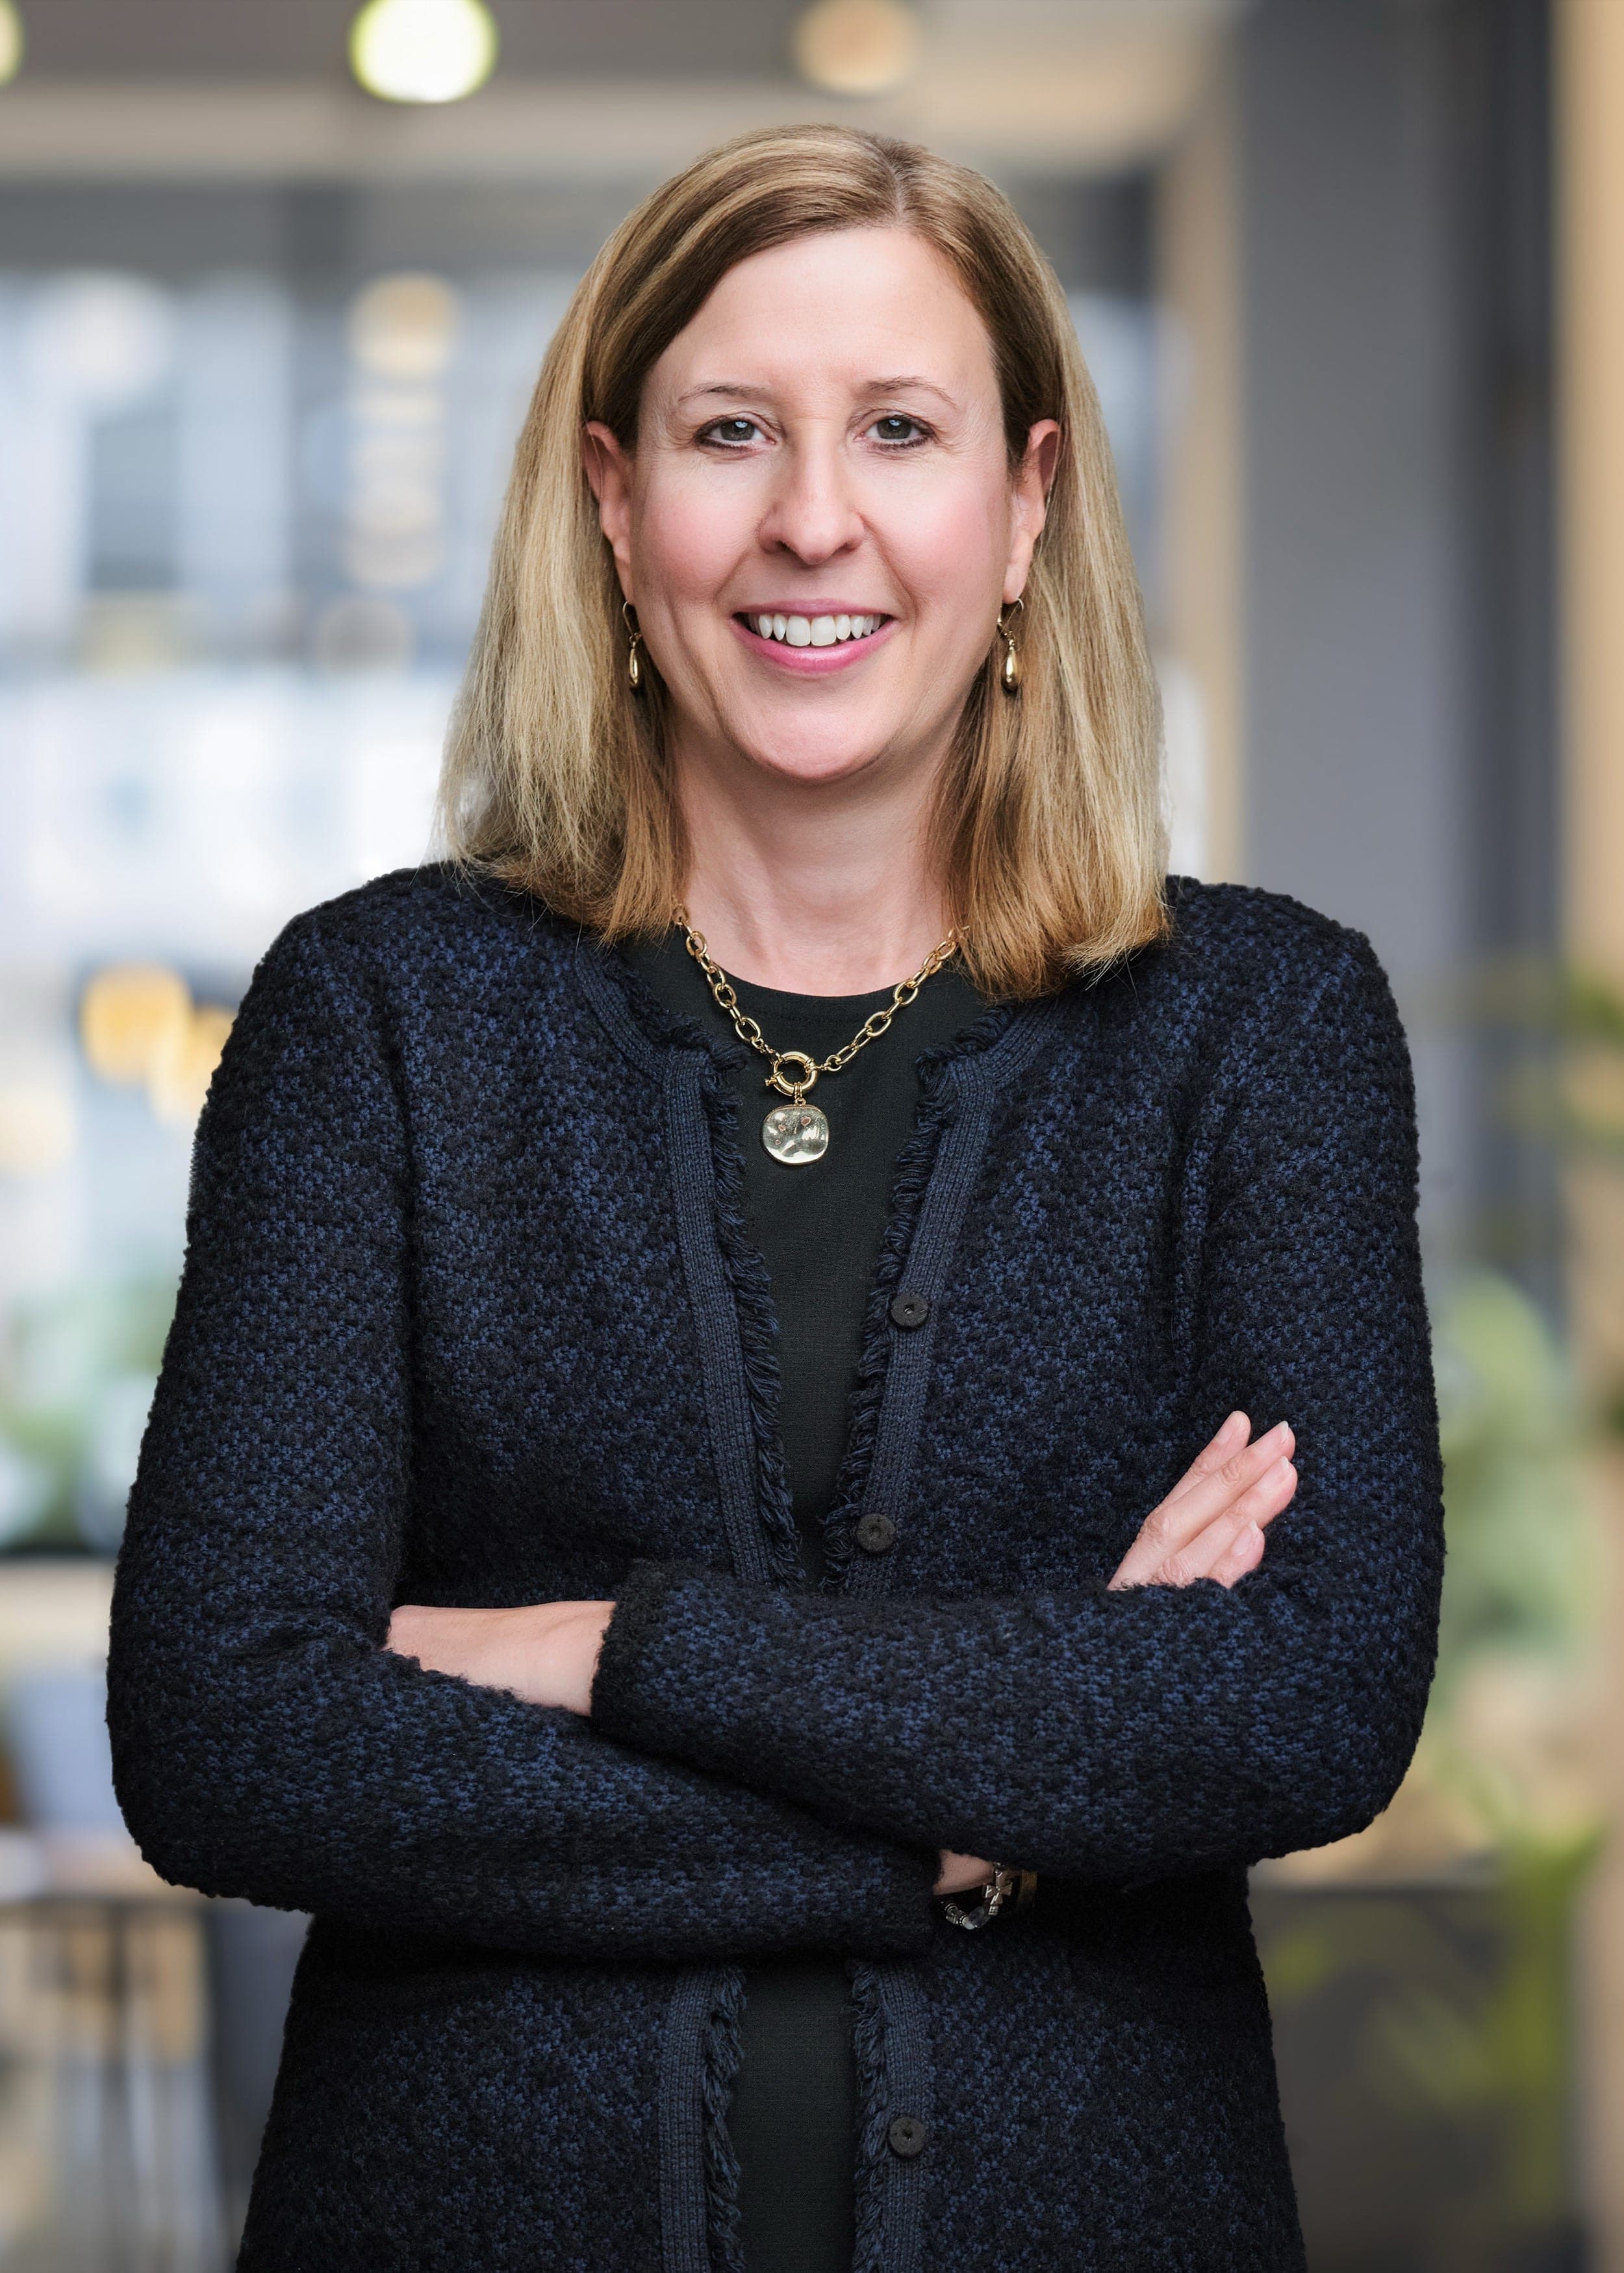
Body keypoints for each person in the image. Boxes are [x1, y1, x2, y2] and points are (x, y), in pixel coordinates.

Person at [107, 123, 1444, 2272]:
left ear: (1024, 502)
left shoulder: (1256, 1029)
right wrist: (972, 1823)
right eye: (731, 430)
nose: (812, 516)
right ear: (613, 496)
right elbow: (229, 1734)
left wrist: (601, 1647)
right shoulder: (382, 1014)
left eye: (896, 429)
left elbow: (1301, 1702)